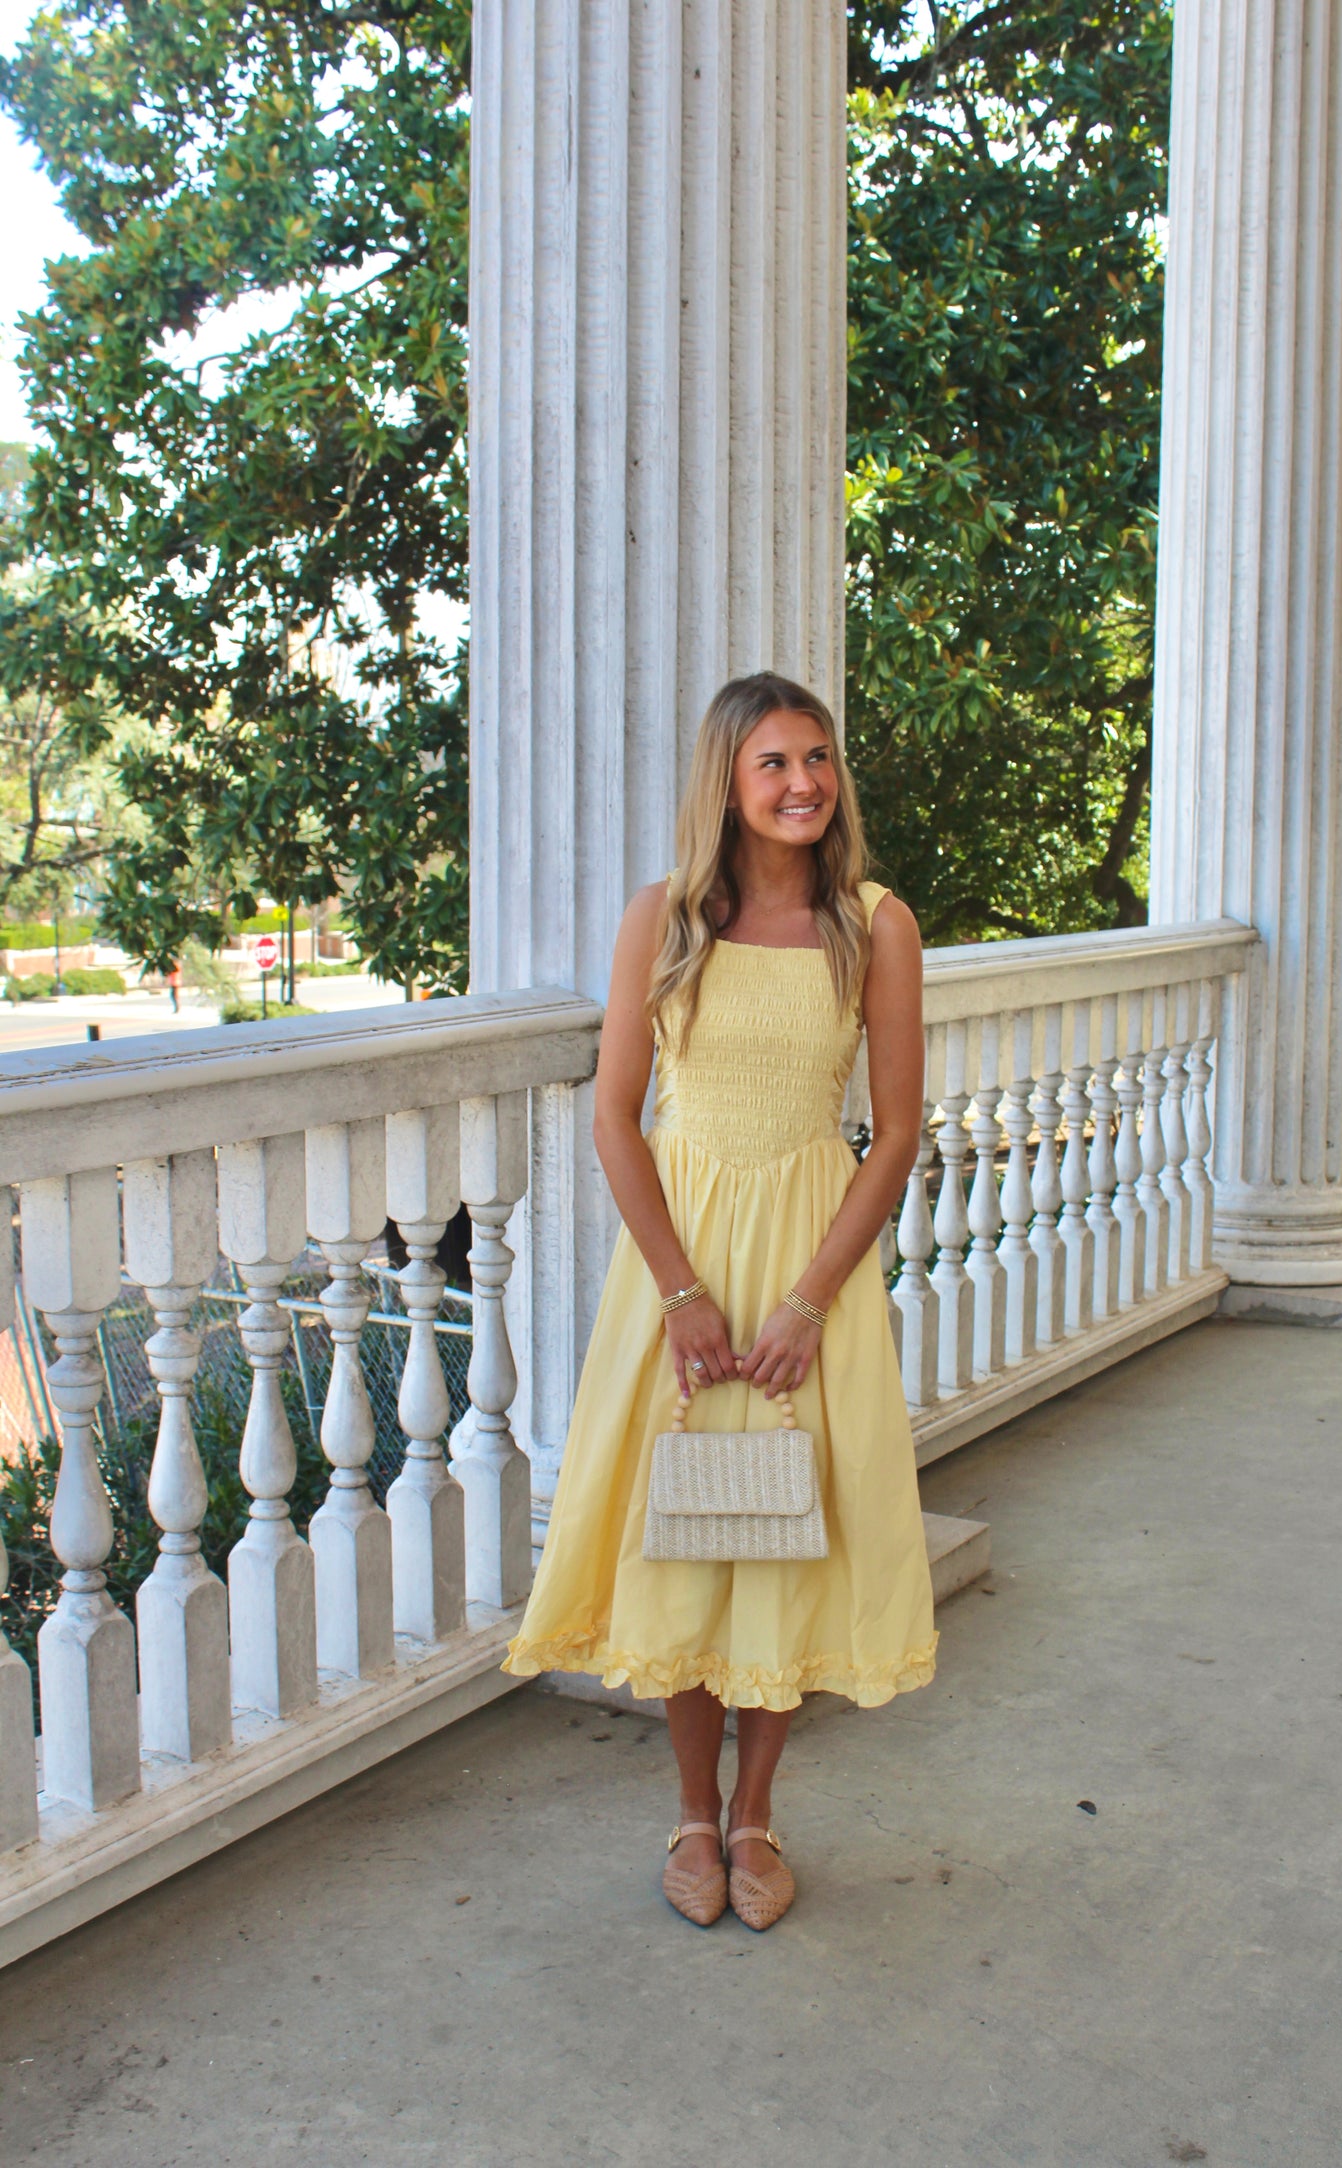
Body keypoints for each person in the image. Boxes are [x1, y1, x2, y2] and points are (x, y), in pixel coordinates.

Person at [503, 671, 936, 1930]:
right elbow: (614, 1117)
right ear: (727, 783)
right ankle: (691, 1812)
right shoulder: (664, 916)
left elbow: (894, 1134)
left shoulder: (874, 924)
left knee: (783, 1533)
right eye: (774, 763)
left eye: (817, 758)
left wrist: (807, 1302)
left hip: (810, 1267)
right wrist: (679, 1291)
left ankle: (755, 1814)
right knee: (686, 1538)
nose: (804, 783)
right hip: (679, 1266)